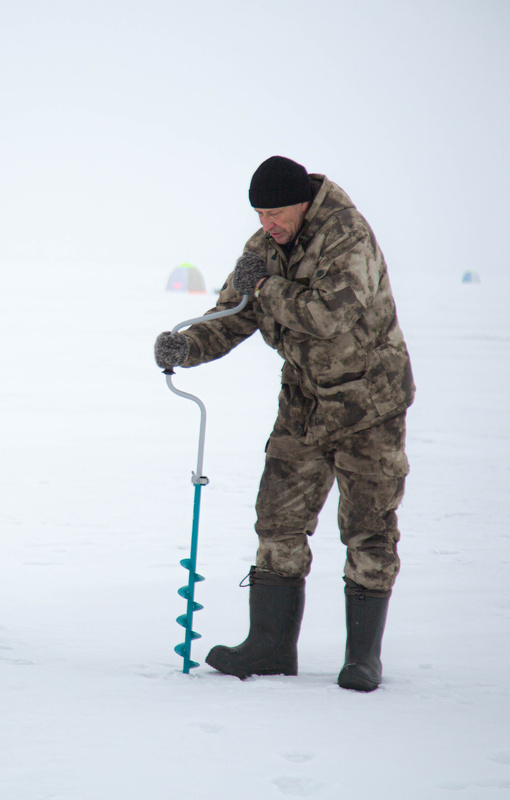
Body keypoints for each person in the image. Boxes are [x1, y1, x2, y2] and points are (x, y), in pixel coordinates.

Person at [153, 156, 415, 691]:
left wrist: (268, 288)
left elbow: (327, 315)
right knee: (277, 521)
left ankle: (362, 658)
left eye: (274, 212)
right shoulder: (262, 249)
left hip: (370, 403)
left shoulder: (348, 235)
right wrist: (186, 346)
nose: (266, 224)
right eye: (258, 214)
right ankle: (270, 647)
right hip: (303, 404)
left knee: (367, 529)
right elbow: (231, 315)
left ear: (303, 202)